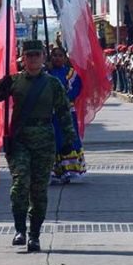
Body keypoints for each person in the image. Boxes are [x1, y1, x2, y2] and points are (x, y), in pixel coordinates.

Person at [0, 40, 76, 253]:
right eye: (29, 55)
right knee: (20, 186)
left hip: (45, 141)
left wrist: (68, 140)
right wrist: (2, 84)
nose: (33, 58)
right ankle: (20, 229)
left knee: (39, 191)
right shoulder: (15, 81)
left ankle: (34, 235)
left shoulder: (53, 84)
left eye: (37, 54)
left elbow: (64, 112)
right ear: (23, 58)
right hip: (20, 140)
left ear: (43, 57)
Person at [47, 46, 86, 182]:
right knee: (53, 139)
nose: (57, 58)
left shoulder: (71, 73)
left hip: (67, 113)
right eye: (54, 55)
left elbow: (76, 90)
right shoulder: (46, 73)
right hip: (50, 114)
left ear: (65, 58)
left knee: (68, 138)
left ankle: (69, 169)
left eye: (60, 55)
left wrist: (63, 99)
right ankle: (54, 170)